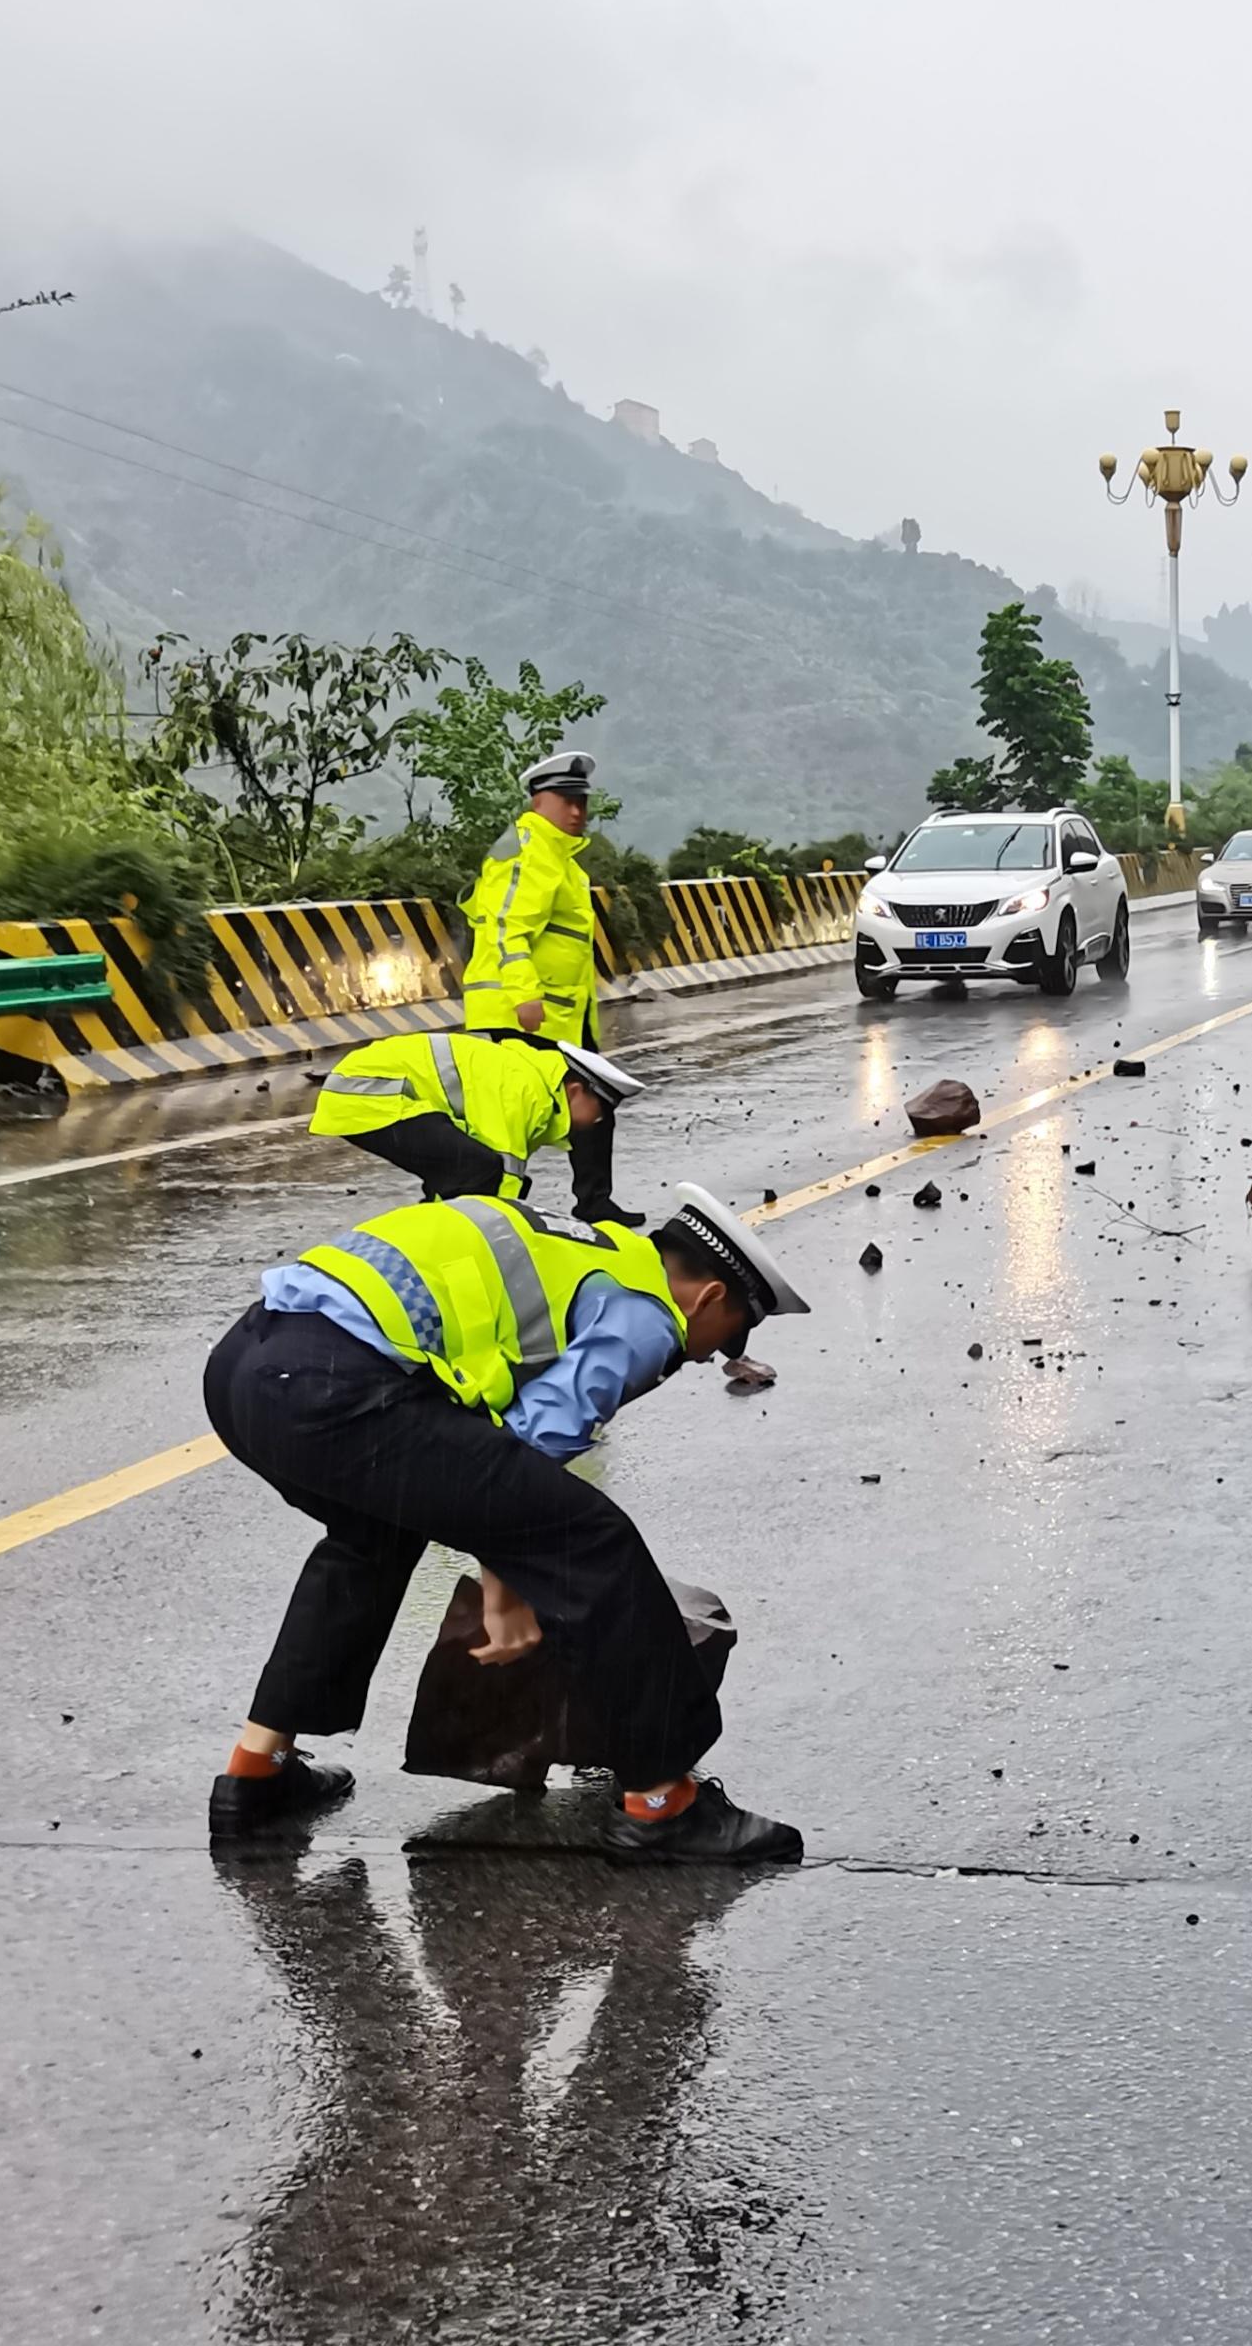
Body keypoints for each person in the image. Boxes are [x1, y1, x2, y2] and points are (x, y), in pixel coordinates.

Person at [204, 1182, 812, 1860]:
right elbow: (534, 1443)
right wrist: (506, 1588)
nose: (705, 1359)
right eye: (728, 1339)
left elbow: (492, 1457)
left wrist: (501, 1563)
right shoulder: (647, 1312)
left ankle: (256, 1775)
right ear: (710, 1299)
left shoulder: (583, 1250)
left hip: (244, 1369)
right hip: (332, 1389)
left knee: (372, 1536)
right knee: (591, 1540)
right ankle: (663, 1804)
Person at [463, 748, 622, 1213]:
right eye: (566, 800)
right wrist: (524, 995)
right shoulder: (529, 852)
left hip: (563, 1016)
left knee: (595, 1104)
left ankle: (595, 1202)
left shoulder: (562, 859)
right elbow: (506, 927)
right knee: (513, 1118)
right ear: (538, 802)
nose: (577, 812)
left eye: (582, 802)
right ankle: (486, 1205)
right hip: (522, 1014)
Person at [306, 1030, 643, 1213]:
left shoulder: (538, 1082)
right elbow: (505, 1178)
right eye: (600, 1107)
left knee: (464, 1169)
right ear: (574, 1090)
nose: (600, 1119)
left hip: (376, 1090)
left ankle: (436, 1231)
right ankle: (441, 1237)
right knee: (478, 1168)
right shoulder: (527, 1092)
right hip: (367, 1091)